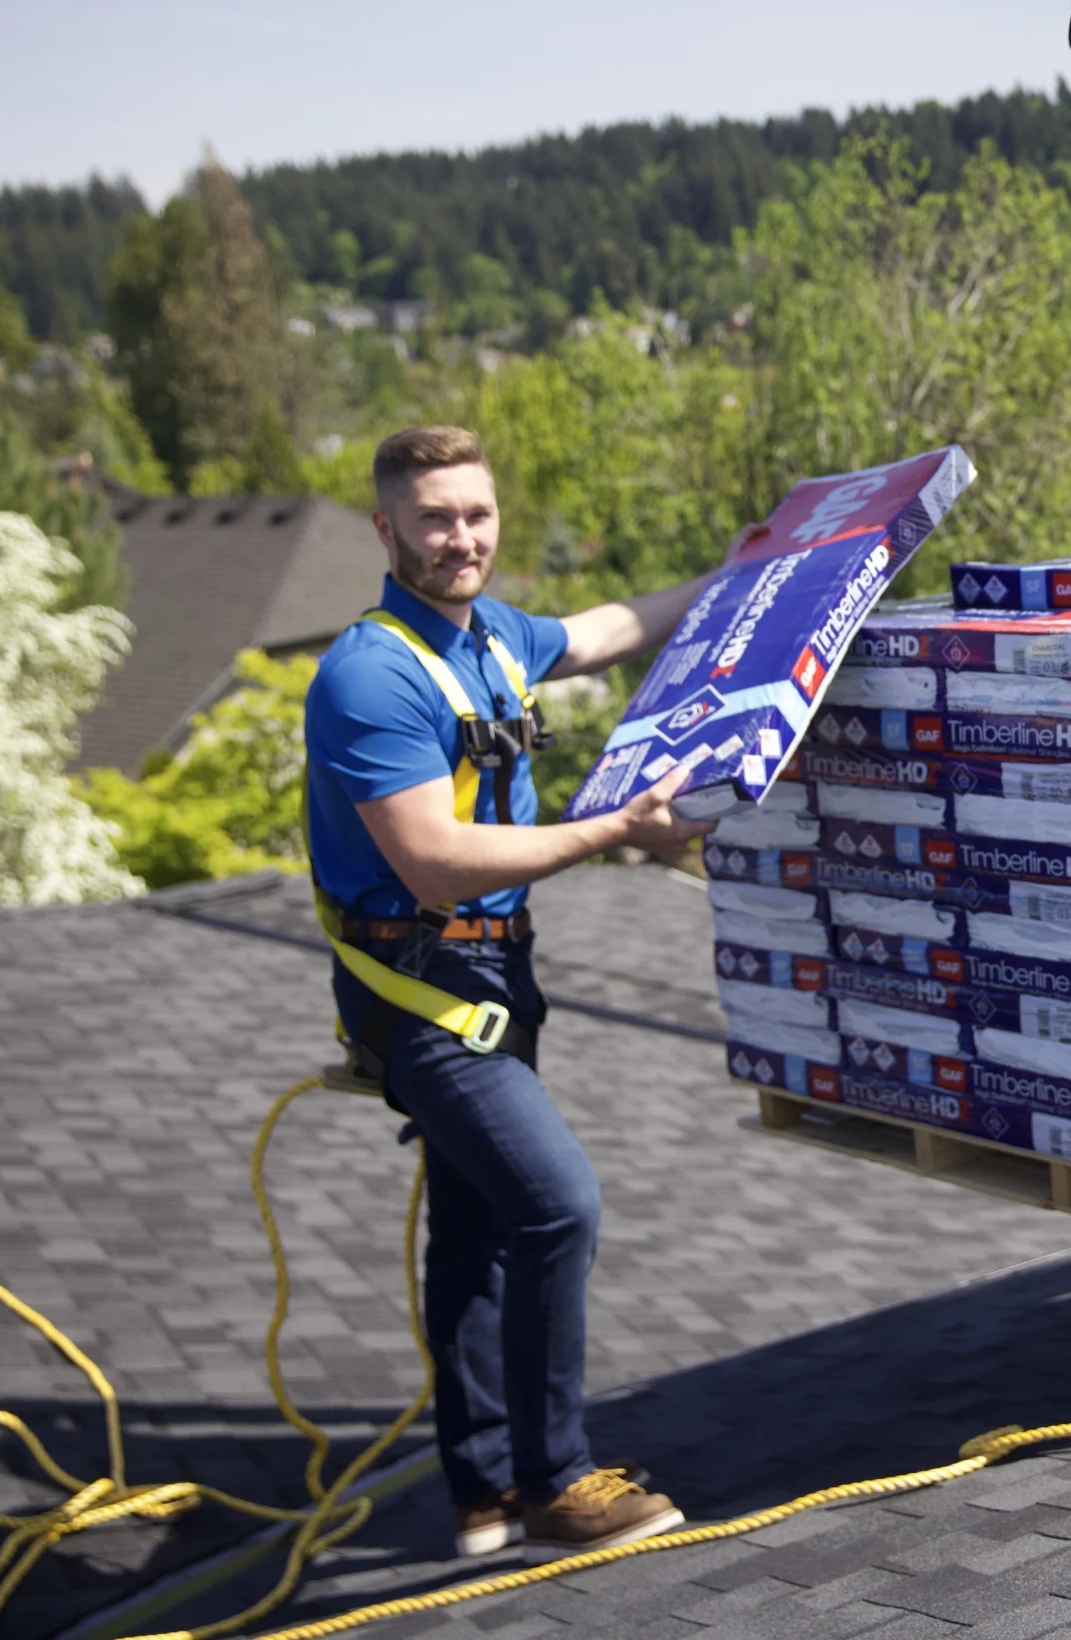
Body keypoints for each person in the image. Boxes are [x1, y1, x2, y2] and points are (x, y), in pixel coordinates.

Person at [306, 425, 738, 1558]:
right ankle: (557, 1481)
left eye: (478, 514)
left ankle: (482, 1489)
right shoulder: (370, 673)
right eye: (437, 517)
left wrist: (741, 575)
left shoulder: (490, 636)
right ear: (386, 528)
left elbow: (604, 631)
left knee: (478, 1228)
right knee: (556, 1204)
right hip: (418, 986)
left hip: (492, 971)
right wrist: (612, 830)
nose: (462, 537)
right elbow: (436, 859)